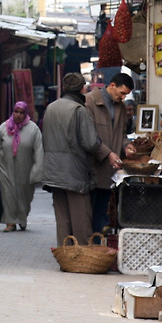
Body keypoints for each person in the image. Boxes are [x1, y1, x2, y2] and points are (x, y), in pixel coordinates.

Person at [39, 72, 109, 246]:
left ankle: (66, 253)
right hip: (75, 173)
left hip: (53, 171)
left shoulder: (51, 108)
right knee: (81, 219)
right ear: (81, 89)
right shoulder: (79, 110)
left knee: (62, 220)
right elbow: (91, 143)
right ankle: (82, 255)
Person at [85, 72, 135, 233]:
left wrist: (127, 146)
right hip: (91, 168)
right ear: (112, 86)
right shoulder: (89, 102)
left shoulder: (121, 107)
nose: (123, 97)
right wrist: (108, 154)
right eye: (122, 93)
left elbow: (121, 135)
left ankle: (97, 244)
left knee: (101, 213)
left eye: (126, 95)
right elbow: (88, 136)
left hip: (109, 171)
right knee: (87, 214)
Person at [0, 101, 43, 232]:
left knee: (24, 196)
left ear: (25, 114)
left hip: (26, 169)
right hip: (5, 168)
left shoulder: (33, 129)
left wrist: (37, 171)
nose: (18, 115)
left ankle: (22, 218)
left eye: (21, 112)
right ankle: (10, 222)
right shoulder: (3, 128)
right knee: (8, 194)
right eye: (16, 112)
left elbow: (39, 151)